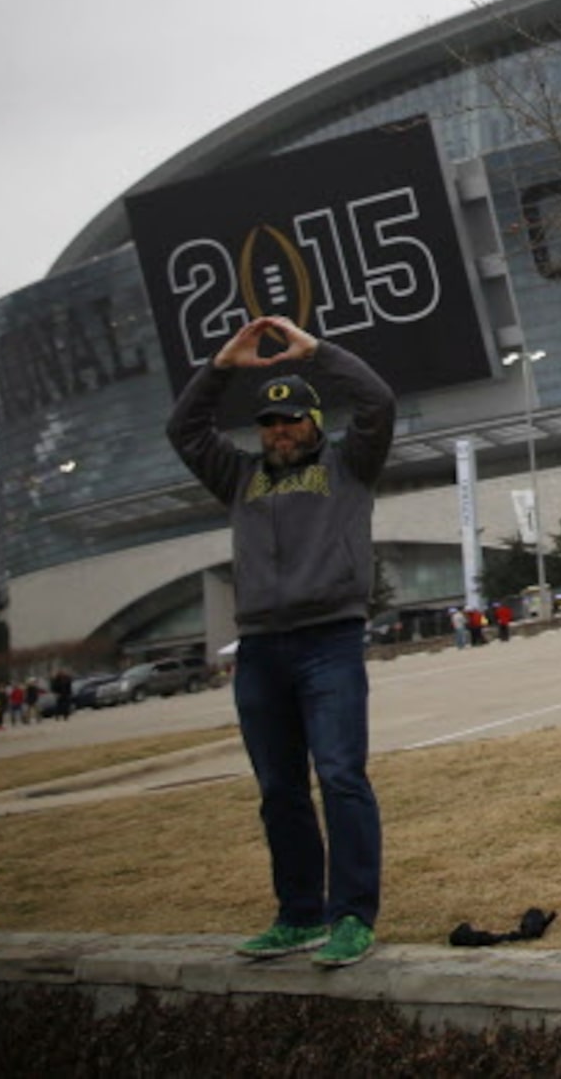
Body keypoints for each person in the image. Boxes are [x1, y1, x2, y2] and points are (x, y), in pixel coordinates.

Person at [164, 314, 395, 969]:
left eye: (292, 418)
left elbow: (377, 401)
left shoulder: (351, 463)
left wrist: (316, 351)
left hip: (331, 642)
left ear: (315, 421)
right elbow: (183, 429)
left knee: (342, 775)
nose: (280, 430)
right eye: (268, 422)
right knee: (279, 789)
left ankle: (351, 915)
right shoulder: (239, 477)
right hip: (262, 650)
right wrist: (223, 367)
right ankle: (299, 915)